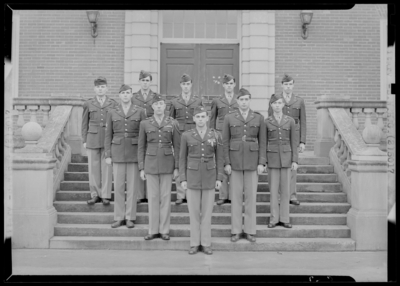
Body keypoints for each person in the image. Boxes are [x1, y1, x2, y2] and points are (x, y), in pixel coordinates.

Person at [222, 88, 266, 243]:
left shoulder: (258, 118)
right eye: (241, 100)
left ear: (250, 100)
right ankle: (235, 230)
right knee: (235, 198)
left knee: (250, 198)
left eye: (246, 99)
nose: (244, 102)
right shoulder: (229, 117)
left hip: (252, 163)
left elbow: (262, 142)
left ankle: (249, 230)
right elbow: (225, 142)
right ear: (237, 101)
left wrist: (262, 162)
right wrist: (226, 162)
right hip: (234, 163)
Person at [179, 106, 224, 255]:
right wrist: (183, 178)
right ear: (193, 119)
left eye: (203, 116)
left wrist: (219, 178)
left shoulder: (215, 135)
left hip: (210, 177)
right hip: (192, 177)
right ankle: (194, 243)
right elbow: (182, 159)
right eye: (197, 116)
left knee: (206, 213)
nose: (200, 119)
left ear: (207, 118)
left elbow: (220, 158)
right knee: (193, 212)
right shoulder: (187, 135)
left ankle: (205, 243)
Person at [138, 93, 181, 241]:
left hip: (168, 163)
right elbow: (141, 147)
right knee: (153, 198)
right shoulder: (145, 123)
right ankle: (153, 230)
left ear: (165, 106)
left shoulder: (173, 123)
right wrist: (141, 167)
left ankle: (164, 230)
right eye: (156, 104)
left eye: (161, 104)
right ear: (152, 106)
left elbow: (178, 146)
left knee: (165, 197)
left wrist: (177, 167)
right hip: (150, 164)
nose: (159, 107)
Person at [104, 84, 146, 228]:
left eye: (128, 93)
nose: (126, 95)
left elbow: (143, 136)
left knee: (133, 188)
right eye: (123, 93)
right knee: (119, 187)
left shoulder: (140, 111)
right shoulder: (112, 112)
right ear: (119, 95)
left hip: (134, 153)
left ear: (131, 95)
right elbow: (108, 134)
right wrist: (108, 154)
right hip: (117, 153)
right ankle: (119, 217)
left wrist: (142, 157)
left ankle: (130, 217)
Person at [268, 73, 306, 206]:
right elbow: (269, 121)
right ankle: (279, 195)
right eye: (286, 84)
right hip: (279, 138)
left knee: (292, 168)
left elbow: (303, 122)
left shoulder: (299, 101)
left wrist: (302, 141)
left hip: (293, 139)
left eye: (290, 84)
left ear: (293, 85)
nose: (288, 87)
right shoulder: (276, 100)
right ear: (282, 85)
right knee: (279, 167)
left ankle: (292, 195)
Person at [81, 76, 117, 205]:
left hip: (108, 140)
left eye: (102, 87)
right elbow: (84, 123)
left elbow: (115, 122)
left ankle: (106, 195)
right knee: (93, 168)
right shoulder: (88, 104)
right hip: (93, 138)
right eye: (98, 87)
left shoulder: (113, 103)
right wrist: (84, 139)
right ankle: (95, 194)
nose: (100, 89)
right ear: (94, 89)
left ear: (107, 88)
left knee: (107, 167)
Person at [169, 73, 204, 205]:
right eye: (183, 84)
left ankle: (192, 192)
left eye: (188, 84)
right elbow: (171, 120)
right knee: (179, 161)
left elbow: (202, 118)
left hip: (193, 135)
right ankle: (180, 194)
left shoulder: (198, 101)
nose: (186, 86)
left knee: (193, 161)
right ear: (180, 85)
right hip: (179, 136)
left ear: (191, 85)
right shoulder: (174, 102)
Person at [265, 93, 298, 228]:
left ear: (283, 105)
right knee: (273, 191)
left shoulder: (290, 121)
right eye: (275, 103)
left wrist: (295, 160)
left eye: (280, 103)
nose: (277, 106)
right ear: (271, 105)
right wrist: (263, 161)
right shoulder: (266, 122)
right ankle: (274, 218)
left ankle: (284, 218)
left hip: (286, 159)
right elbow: (263, 142)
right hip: (272, 159)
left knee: (285, 190)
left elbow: (293, 142)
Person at [210, 74, 239, 206]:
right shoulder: (217, 101)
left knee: (232, 163)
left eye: (231, 83)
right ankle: (223, 195)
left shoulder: (238, 99)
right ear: (223, 85)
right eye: (226, 83)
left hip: (234, 135)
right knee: (221, 163)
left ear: (234, 85)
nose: (229, 86)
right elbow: (212, 119)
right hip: (221, 135)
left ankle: (233, 195)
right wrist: (211, 134)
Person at [132, 70, 155, 204]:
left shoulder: (155, 97)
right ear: (139, 82)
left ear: (150, 82)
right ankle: (140, 194)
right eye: (143, 80)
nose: (145, 83)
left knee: (150, 161)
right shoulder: (134, 97)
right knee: (139, 162)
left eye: (147, 80)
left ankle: (150, 193)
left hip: (152, 134)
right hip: (137, 133)